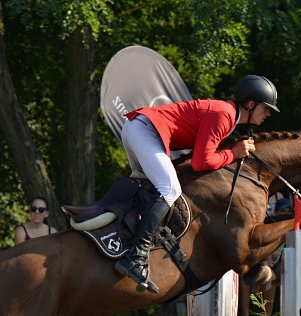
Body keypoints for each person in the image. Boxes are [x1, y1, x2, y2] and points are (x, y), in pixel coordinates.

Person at [116, 75, 278, 294]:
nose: (268, 114)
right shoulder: (224, 114)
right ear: (251, 104)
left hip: (139, 127)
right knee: (170, 189)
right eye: (266, 108)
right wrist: (234, 153)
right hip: (145, 130)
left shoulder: (228, 115)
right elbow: (201, 162)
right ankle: (136, 257)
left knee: (150, 190)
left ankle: (122, 243)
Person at [13, 198, 75, 316]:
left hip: (48, 273)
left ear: (46, 213)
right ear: (30, 211)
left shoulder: (52, 232)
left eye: (41, 210)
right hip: (26, 273)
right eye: (33, 209)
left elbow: (56, 258)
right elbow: (20, 258)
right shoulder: (21, 231)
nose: (37, 212)